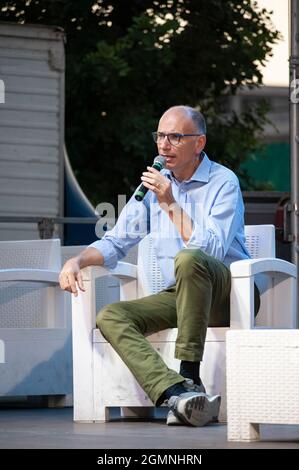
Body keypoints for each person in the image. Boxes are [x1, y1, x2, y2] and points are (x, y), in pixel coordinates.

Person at [59, 105, 258, 427]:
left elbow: (212, 248)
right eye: (160, 136)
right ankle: (175, 393)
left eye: (176, 137)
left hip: (230, 294)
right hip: (180, 295)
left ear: (199, 143)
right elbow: (117, 241)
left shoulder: (223, 182)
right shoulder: (154, 188)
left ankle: (190, 374)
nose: (164, 145)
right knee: (111, 315)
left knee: (190, 258)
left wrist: (170, 203)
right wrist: (77, 260)